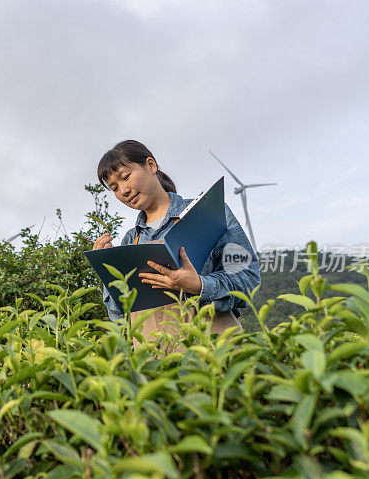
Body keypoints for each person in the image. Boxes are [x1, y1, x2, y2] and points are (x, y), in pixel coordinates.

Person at [92, 140, 260, 349]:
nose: (123, 190)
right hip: (156, 361)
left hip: (213, 348)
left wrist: (199, 285)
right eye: (114, 187)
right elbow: (120, 318)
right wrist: (106, 273)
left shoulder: (208, 213)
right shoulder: (128, 241)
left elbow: (248, 278)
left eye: (125, 177)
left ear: (151, 165)